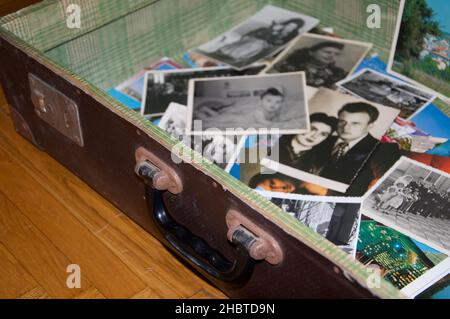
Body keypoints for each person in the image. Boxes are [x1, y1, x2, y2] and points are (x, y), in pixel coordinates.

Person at [319, 102, 380, 185]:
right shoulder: (322, 139)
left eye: (355, 123)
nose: (345, 127)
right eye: (342, 121)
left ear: (370, 126)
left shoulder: (378, 150)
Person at [204, 18, 305, 67]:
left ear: (294, 30)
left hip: (260, 44)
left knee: (255, 44)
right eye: (289, 25)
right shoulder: (270, 27)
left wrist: (274, 34)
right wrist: (272, 29)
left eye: (292, 27)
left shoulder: (286, 36)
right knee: (244, 41)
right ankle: (220, 53)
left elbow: (275, 43)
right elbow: (252, 33)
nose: (288, 28)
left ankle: (230, 57)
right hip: (249, 39)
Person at [271, 112, 337, 174]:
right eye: (312, 129)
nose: (314, 136)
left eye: (323, 134)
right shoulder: (273, 142)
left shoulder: (319, 162)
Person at [272, 41, 346, 88]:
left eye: (336, 54)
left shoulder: (337, 74)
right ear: (311, 52)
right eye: (327, 52)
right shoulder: (289, 65)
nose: (332, 56)